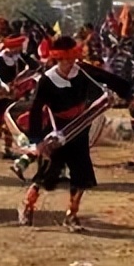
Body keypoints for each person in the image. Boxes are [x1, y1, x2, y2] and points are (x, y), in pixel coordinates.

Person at [19, 36, 110, 232]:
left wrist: (106, 98)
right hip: (56, 131)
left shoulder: (81, 75)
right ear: (58, 59)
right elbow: (36, 110)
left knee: (81, 175)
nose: (70, 63)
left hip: (79, 130)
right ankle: (27, 205)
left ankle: (71, 215)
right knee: (48, 174)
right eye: (66, 60)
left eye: (73, 59)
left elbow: (97, 95)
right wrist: (37, 140)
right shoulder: (47, 80)